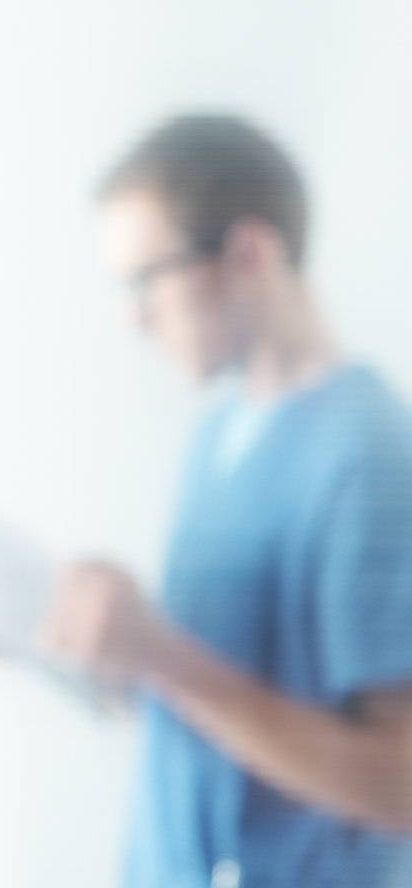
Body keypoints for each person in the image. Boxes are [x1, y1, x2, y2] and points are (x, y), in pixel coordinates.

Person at [41, 114, 412, 886]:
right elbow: (211, 711)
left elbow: (400, 786)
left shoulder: (368, 453)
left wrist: (157, 653)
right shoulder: (219, 436)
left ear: (248, 253)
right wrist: (74, 646)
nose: (133, 317)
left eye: (149, 279)